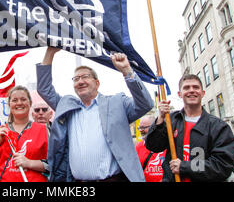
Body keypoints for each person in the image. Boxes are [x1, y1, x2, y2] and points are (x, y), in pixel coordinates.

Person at [36, 47, 154, 182]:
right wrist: (50, 53)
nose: (80, 81)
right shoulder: (66, 107)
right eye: (76, 79)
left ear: (97, 83)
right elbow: (44, 89)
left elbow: (145, 104)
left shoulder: (117, 103)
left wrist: (127, 71)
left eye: (85, 77)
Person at [146, 74, 234, 182]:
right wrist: (160, 118)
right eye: (186, 88)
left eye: (196, 87)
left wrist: (184, 167)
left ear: (203, 93)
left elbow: (222, 166)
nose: (192, 90)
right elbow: (153, 146)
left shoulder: (219, 127)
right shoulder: (170, 120)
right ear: (179, 94)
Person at [0, 85, 49, 182]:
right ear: (9, 104)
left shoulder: (44, 130)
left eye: (23, 99)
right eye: (14, 100)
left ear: (30, 103)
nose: (19, 103)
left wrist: (29, 163)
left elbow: (54, 164)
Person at [135, 115, 165, 182]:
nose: (140, 130)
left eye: (143, 127)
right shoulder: (138, 147)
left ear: (153, 127)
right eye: (139, 127)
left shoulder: (167, 144)